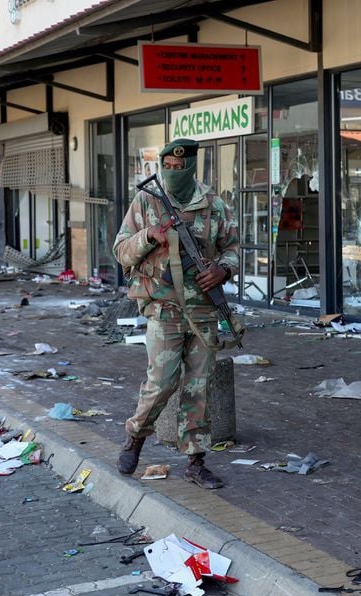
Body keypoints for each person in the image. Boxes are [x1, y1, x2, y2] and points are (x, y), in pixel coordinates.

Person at [112, 138, 239, 489]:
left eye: (180, 167)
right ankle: (135, 437)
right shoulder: (146, 201)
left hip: (202, 310)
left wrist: (223, 271)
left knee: (199, 388)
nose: (174, 172)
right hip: (164, 308)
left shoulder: (213, 204)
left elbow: (233, 248)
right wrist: (149, 236)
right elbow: (121, 250)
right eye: (168, 166)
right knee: (161, 382)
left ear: (192, 166)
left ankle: (196, 461)